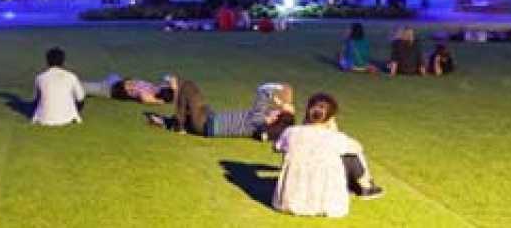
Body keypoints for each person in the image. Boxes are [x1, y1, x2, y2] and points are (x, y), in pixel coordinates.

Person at [272, 92, 383, 215]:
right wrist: (334, 129)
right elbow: (358, 148)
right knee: (350, 153)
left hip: (287, 203)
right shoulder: (336, 137)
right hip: (329, 205)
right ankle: (366, 186)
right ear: (331, 117)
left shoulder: (290, 132)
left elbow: (277, 147)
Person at [151, 78, 293, 140]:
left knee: (188, 86)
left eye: (278, 112)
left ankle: (179, 124)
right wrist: (281, 104)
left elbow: (262, 94)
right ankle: (171, 123)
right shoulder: (261, 124)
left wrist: (268, 92)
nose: (275, 109)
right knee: (196, 103)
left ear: (276, 118)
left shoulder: (259, 121)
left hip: (205, 123)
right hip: (208, 119)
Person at [31, 46, 85, 125]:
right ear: (63, 61)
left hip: (44, 119)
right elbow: (81, 99)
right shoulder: (71, 76)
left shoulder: (40, 78)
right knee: (77, 97)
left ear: (47, 61)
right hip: (67, 118)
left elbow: (35, 100)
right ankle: (68, 113)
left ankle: (49, 112)